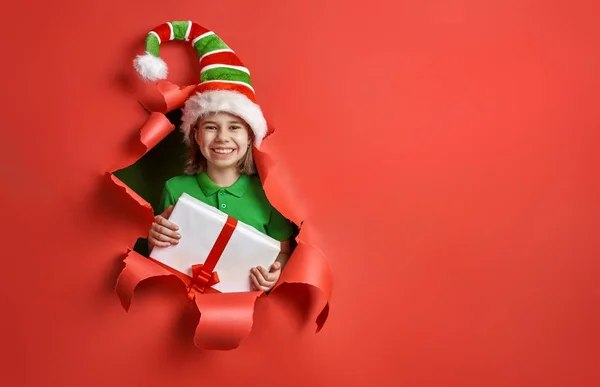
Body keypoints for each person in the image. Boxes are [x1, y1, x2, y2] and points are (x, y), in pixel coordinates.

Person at [132, 20, 294, 292]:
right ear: (196, 135)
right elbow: (162, 252)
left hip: (242, 311)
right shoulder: (175, 188)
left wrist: (274, 275)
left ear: (250, 136)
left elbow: (283, 253)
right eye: (211, 127)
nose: (222, 138)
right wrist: (154, 237)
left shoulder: (269, 195)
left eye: (234, 127)